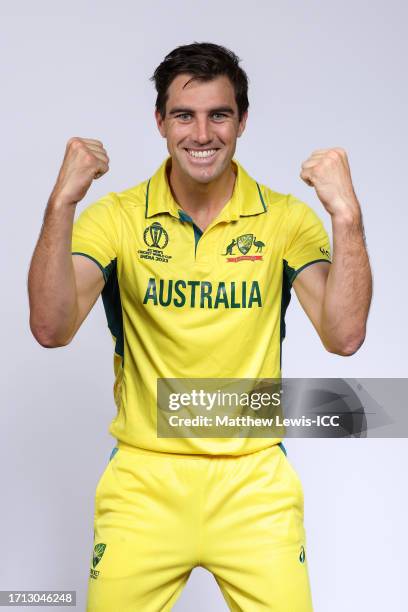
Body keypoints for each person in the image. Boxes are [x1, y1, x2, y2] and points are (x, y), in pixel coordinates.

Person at [28, 42, 372, 611]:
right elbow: (50, 325)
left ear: (242, 121)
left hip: (253, 483)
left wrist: (347, 217)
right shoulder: (116, 218)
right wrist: (62, 202)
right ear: (160, 121)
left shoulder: (285, 219)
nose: (202, 133)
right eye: (184, 115)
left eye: (219, 115)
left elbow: (345, 336)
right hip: (144, 483)